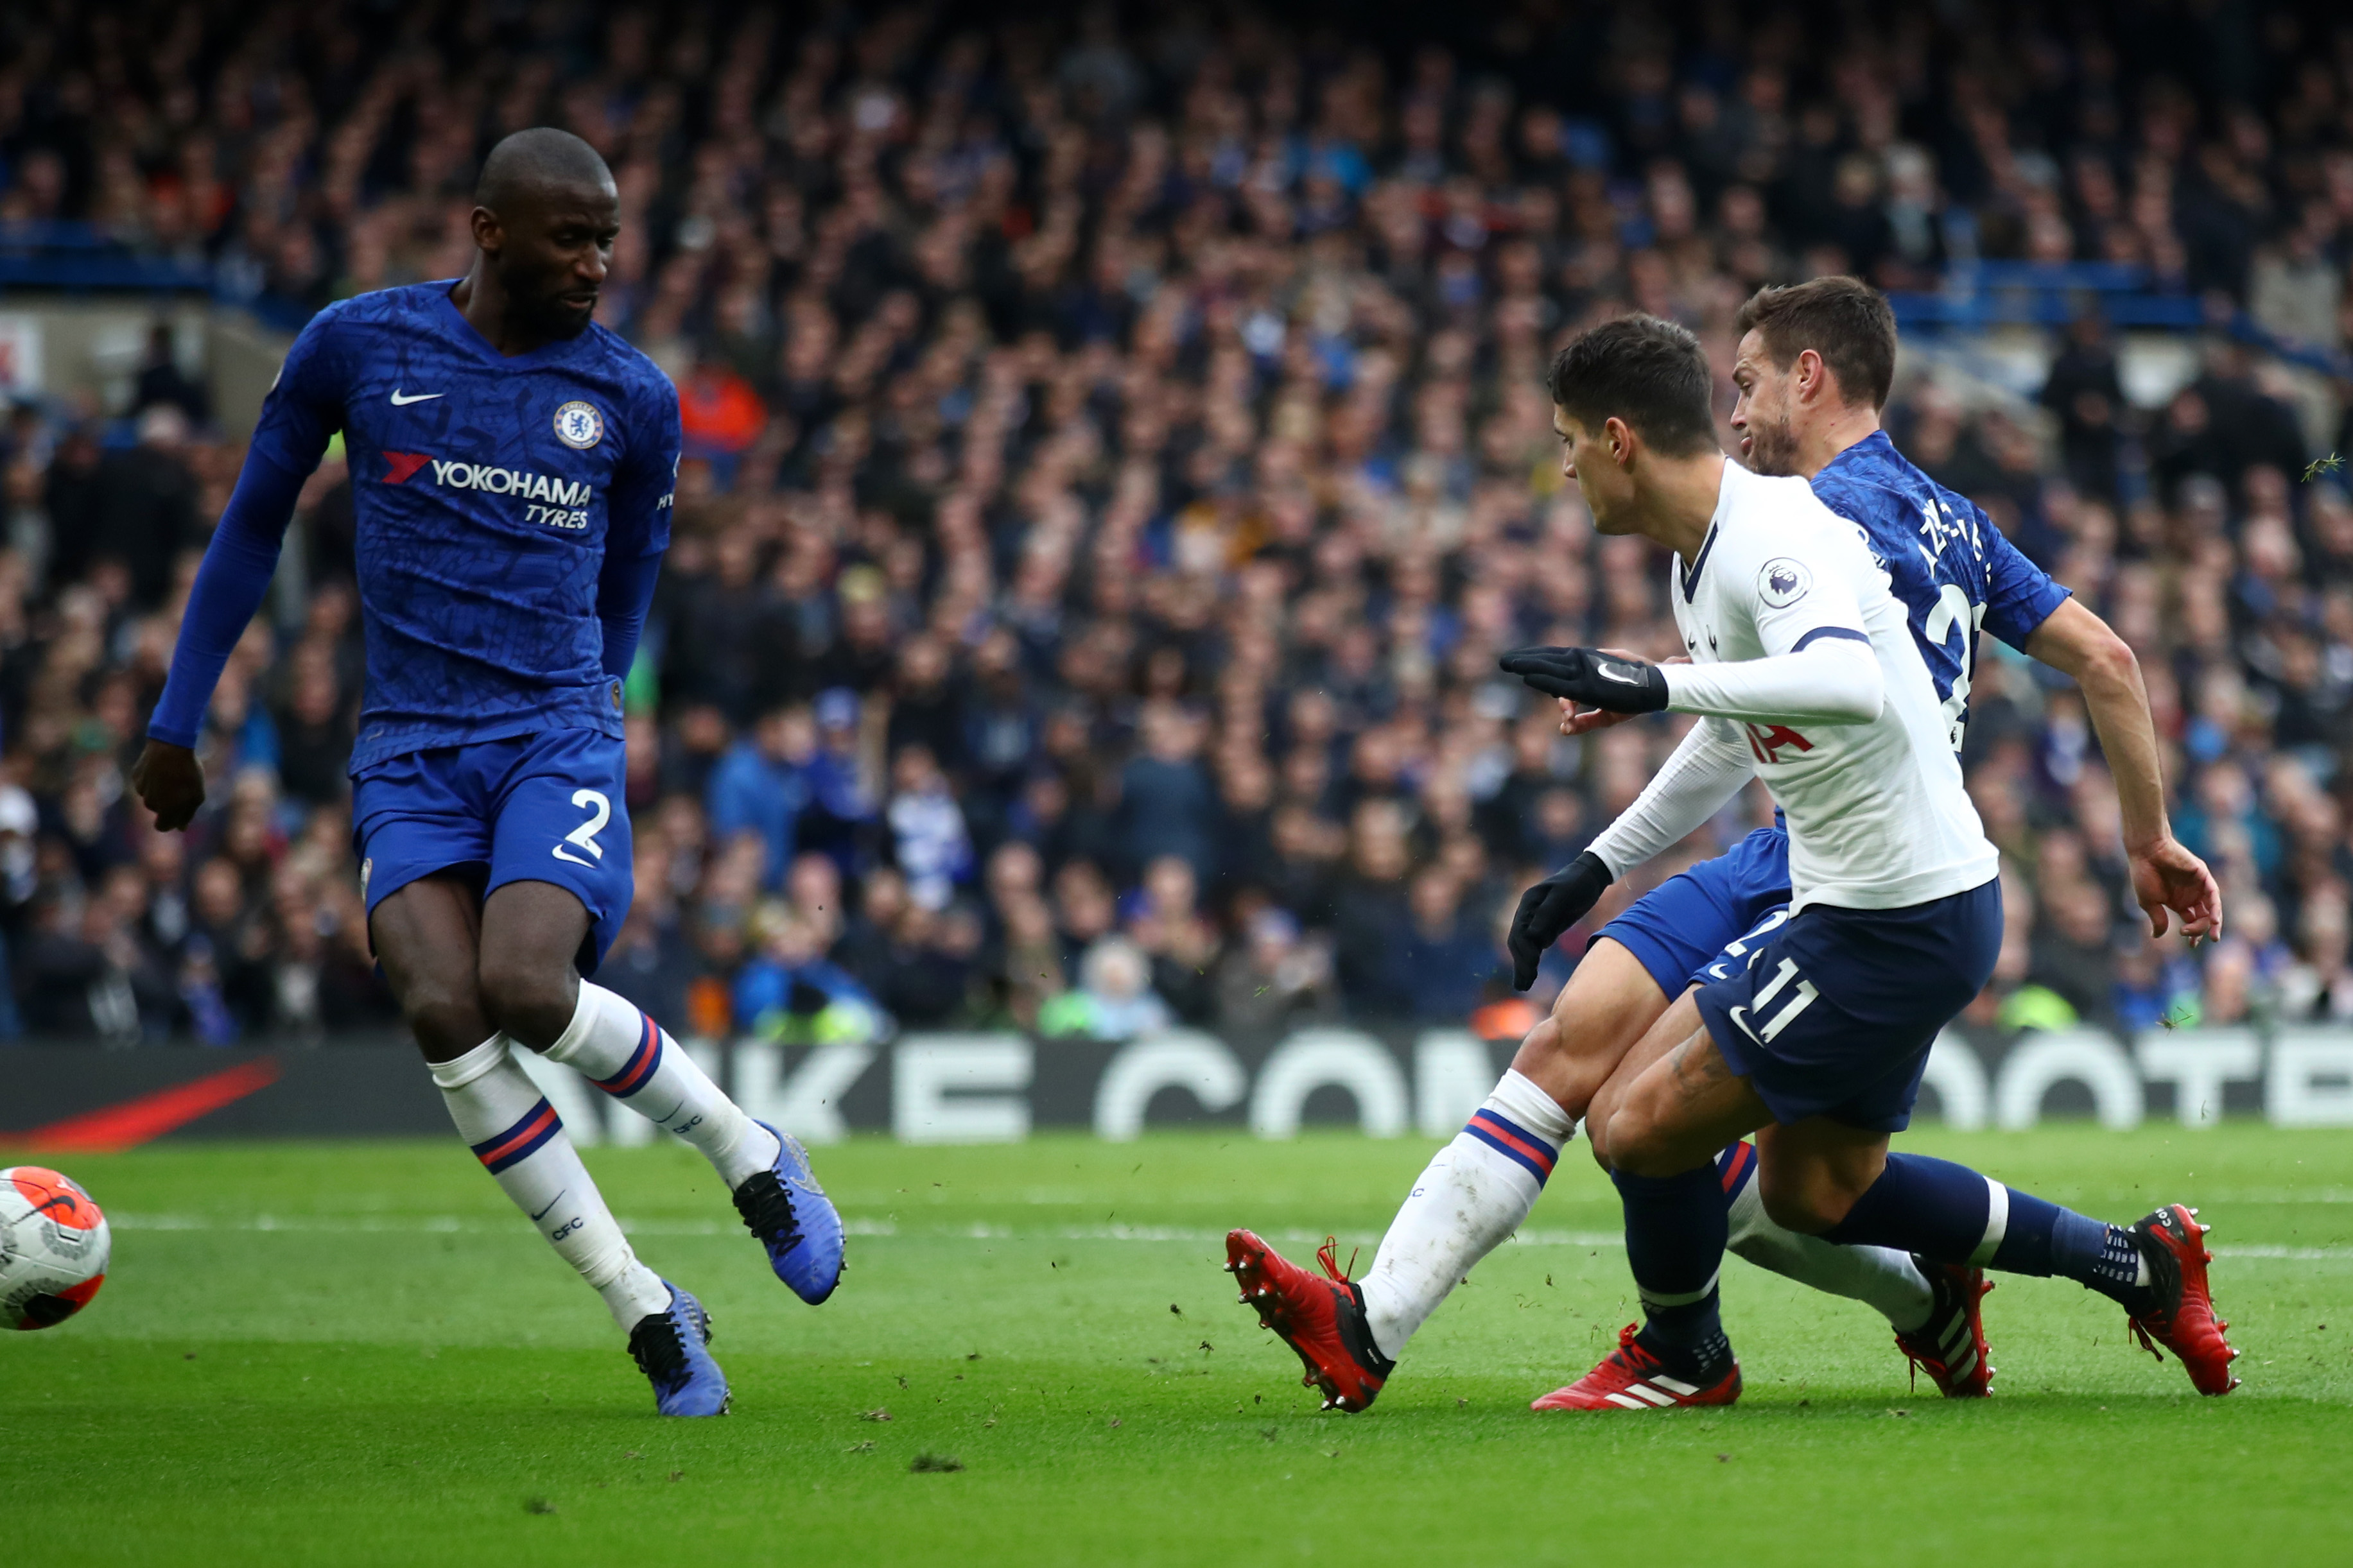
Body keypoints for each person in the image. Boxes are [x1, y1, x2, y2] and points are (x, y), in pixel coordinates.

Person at [1227, 292, 2232, 1417]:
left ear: (1810, 376)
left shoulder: (1801, 513)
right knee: (1794, 1175)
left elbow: (1840, 679)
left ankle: (1675, 1348)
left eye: (1746, 381)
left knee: (1639, 1121)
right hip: (1828, 852)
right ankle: (2101, 1267)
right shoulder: (1924, 517)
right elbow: (2082, 659)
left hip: (1876, 879)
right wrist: (1597, 866)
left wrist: (1653, 682)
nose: (1733, 407)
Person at [128, 128, 843, 1418]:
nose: (597, 261)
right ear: (488, 227)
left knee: (523, 983)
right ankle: (646, 1307)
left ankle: (751, 1153)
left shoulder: (632, 397)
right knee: (444, 1010)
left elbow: (630, 581)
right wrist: (178, 721)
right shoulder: (359, 346)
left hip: (553, 730)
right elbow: (250, 526)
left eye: (609, 237)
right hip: (407, 747)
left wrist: (596, 715)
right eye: (572, 235)